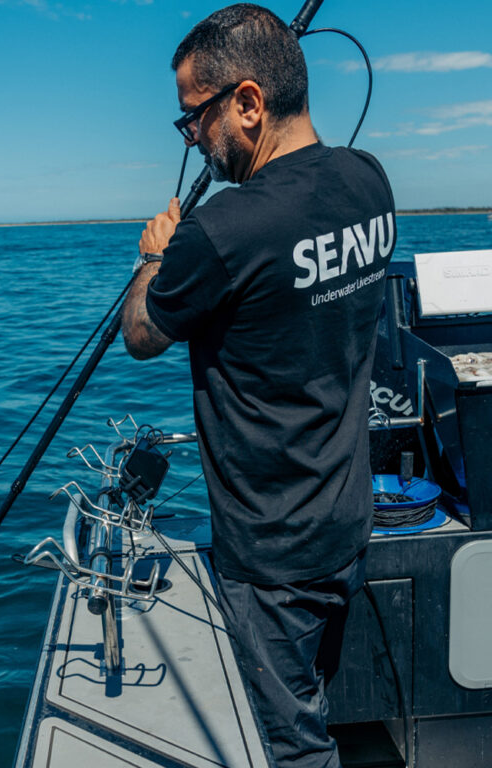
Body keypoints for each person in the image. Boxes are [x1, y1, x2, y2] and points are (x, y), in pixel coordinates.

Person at [121, 5, 395, 768]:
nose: (192, 140)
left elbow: (142, 336)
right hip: (348, 520)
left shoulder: (222, 231)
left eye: (192, 119)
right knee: (315, 695)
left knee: (293, 747)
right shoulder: (370, 181)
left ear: (247, 102)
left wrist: (155, 256)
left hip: (273, 553)